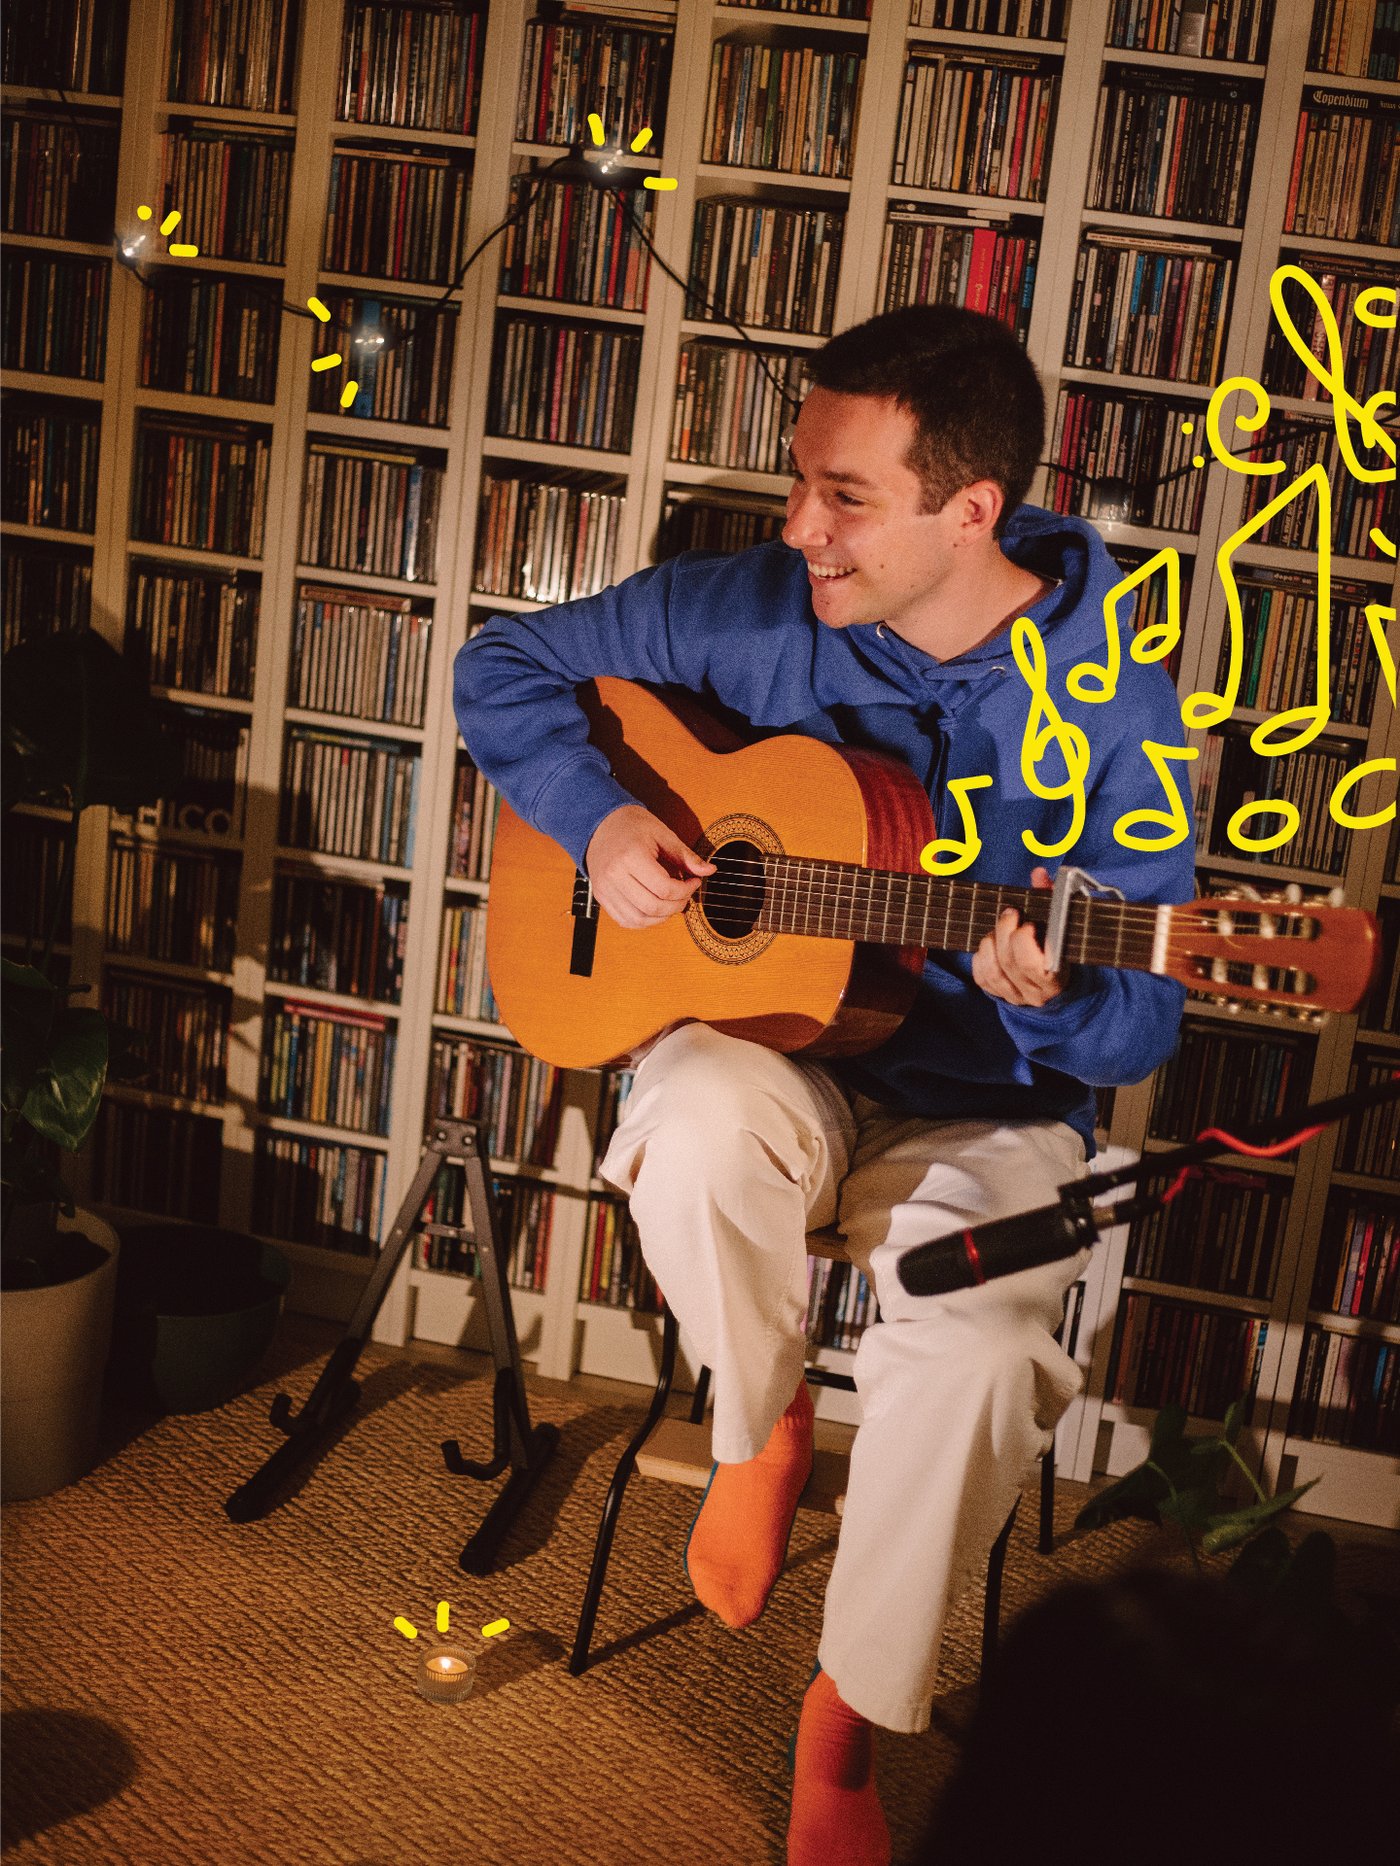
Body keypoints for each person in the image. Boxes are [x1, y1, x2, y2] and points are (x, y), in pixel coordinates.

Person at [454, 305, 1194, 1865]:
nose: (797, 524)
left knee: (985, 1354)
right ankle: (760, 1422)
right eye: (802, 478)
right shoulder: (757, 606)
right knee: (692, 1118)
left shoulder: (1119, 694)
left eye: (843, 494)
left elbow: (1144, 1031)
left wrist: (1060, 999)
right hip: (789, 1066)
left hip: (989, 1110)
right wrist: (593, 821)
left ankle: (847, 1711)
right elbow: (503, 659)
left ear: (971, 511)